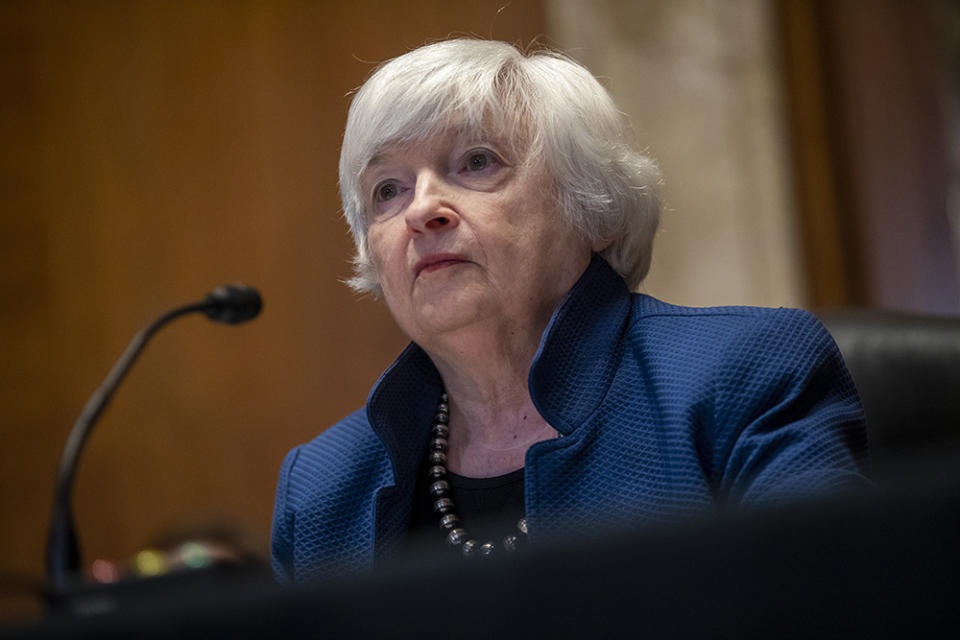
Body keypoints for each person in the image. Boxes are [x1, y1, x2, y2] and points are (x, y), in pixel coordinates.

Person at [271, 39, 869, 583]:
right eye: (387, 189)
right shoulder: (320, 489)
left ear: (595, 208)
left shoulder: (743, 377)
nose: (422, 209)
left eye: (477, 162)